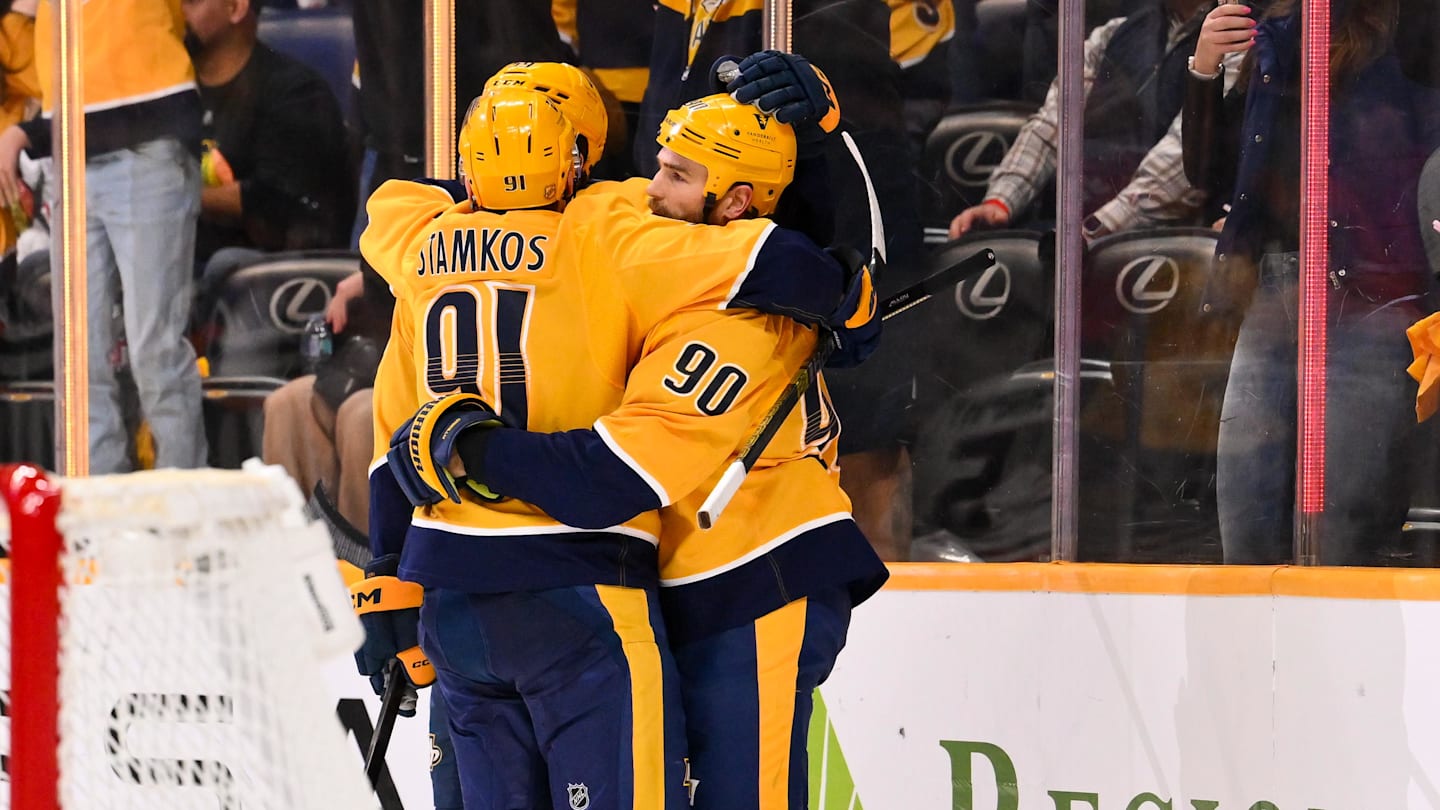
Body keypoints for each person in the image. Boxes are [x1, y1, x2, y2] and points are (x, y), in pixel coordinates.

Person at [356, 84, 860, 810]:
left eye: (677, 173)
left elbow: (404, 439)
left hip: (752, 569)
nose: (651, 188)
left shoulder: (419, 240)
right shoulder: (619, 236)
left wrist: (398, 562)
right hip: (603, 575)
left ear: (739, 198)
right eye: (655, 165)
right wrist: (852, 291)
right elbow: (818, 277)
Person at [640, 1, 926, 562]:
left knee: (858, 467)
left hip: (816, 243)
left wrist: (827, 126)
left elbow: (878, 150)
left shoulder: (823, 22)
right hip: (705, 254)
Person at [1184, 0, 1440, 565]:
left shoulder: (1407, 21)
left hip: (1370, 297)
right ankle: (1251, 656)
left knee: (1345, 536)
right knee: (1247, 525)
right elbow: (1208, 176)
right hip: (1271, 293)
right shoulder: (1268, 27)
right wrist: (1203, 69)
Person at [0, 0, 206, 472]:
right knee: (80, 358)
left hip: (147, 142)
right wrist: (29, 131)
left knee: (154, 349)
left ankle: (185, 511)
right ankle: (99, 515)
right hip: (70, 152)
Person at [948, 0, 1211, 242]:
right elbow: (1052, 125)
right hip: (1077, 229)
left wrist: (1089, 233)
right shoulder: (1113, 33)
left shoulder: (1236, 40)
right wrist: (1000, 201)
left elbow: (1181, 164)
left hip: (1155, 243)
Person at [182, 0, 353, 270]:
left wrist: (173, 195)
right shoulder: (171, 97)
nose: (173, 11)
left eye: (189, 2)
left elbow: (278, 202)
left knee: (223, 264)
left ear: (236, 8)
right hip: (185, 260)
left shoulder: (296, 93)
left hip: (271, 275)